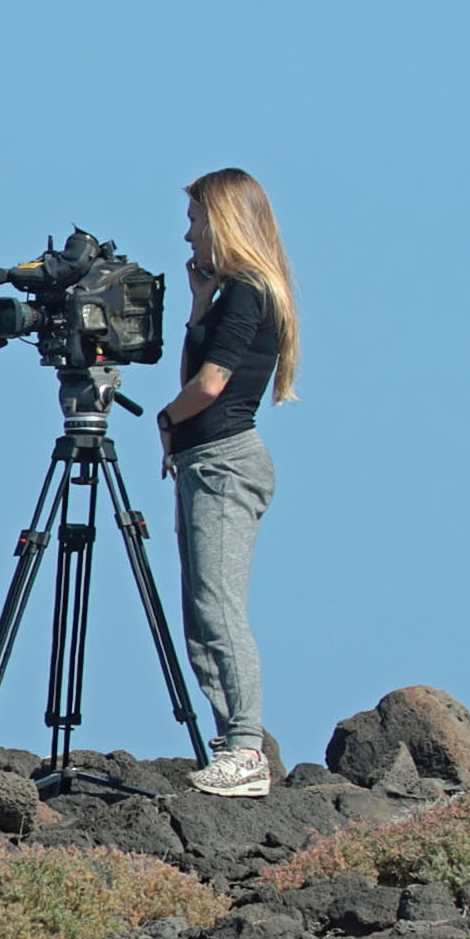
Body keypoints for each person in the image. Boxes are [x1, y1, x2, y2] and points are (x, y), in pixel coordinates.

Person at [153, 169, 299, 798]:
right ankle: (231, 749)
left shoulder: (249, 290)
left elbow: (209, 385)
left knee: (218, 609)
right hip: (206, 461)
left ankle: (244, 749)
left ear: (221, 219)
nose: (186, 234)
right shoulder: (232, 292)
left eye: (194, 220)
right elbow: (198, 368)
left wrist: (164, 419)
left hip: (223, 463)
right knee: (200, 614)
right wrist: (196, 304)